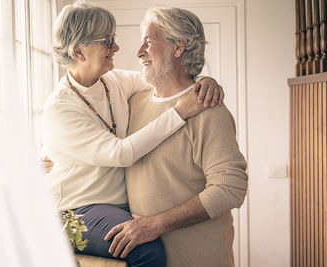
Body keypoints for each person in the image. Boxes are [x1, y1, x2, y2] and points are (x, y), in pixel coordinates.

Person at [43, 1, 224, 266]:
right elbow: (122, 153)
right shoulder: (60, 108)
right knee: (147, 249)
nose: (116, 47)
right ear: (79, 51)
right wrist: (180, 113)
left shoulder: (113, 80)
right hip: (78, 209)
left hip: (114, 206)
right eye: (107, 41)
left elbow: (167, 77)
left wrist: (205, 81)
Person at [104, 7, 248, 267]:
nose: (139, 52)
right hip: (144, 260)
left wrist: (155, 224)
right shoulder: (133, 103)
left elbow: (230, 188)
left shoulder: (208, 109)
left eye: (148, 41)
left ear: (179, 46)